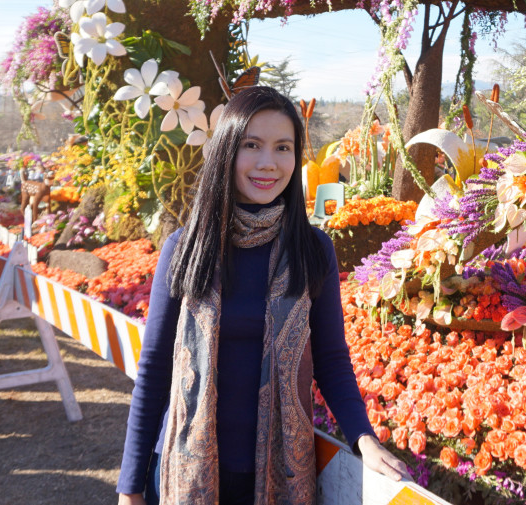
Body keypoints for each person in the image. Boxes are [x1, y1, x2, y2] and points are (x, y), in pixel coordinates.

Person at [116, 87, 406, 505]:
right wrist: (129, 487)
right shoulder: (185, 248)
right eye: (252, 145)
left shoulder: (312, 249)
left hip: (279, 477)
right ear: (226, 152)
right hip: (185, 473)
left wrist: (364, 438)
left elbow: (332, 361)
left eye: (283, 147)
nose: (268, 162)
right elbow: (155, 372)